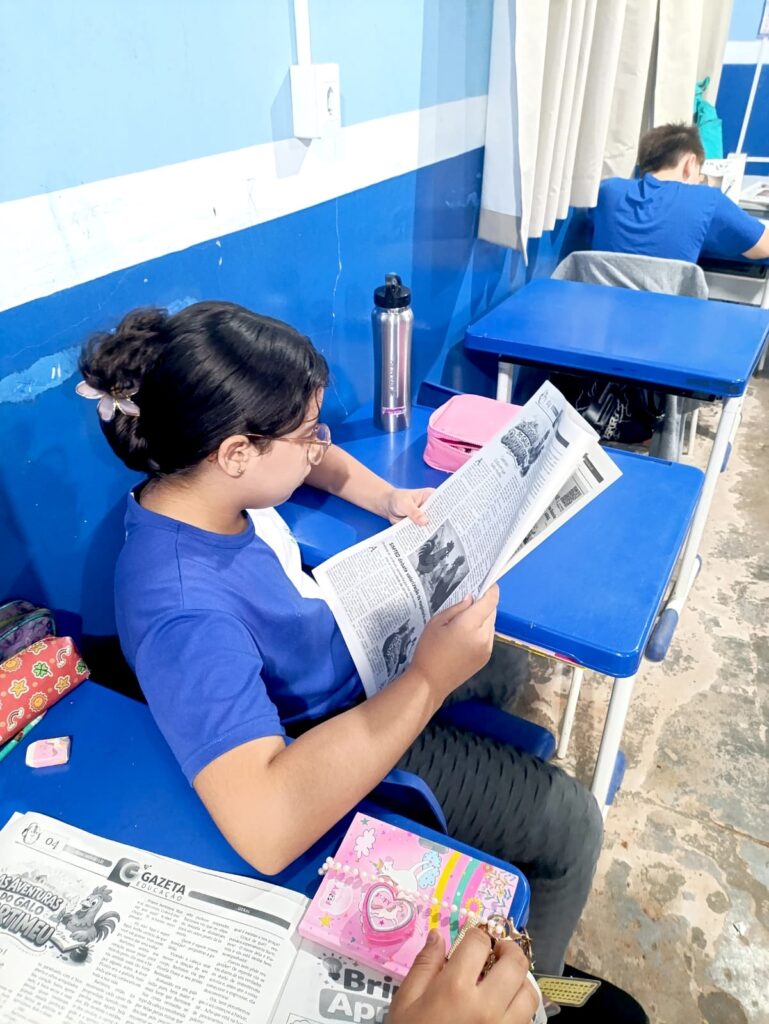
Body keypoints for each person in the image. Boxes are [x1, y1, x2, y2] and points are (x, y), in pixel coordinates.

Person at [77, 301, 603, 980]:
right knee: (571, 828)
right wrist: (424, 683)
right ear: (237, 452)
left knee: (500, 670)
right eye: (307, 434)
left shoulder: (199, 481)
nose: (320, 448)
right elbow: (264, 825)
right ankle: (534, 993)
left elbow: (308, 463)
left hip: (353, 651)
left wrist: (384, 497)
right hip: (337, 728)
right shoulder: (181, 612)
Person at [592, 122, 769, 263]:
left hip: (601, 305)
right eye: (699, 173)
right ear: (690, 163)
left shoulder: (607, 191)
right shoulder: (708, 200)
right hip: (668, 308)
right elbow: (764, 247)